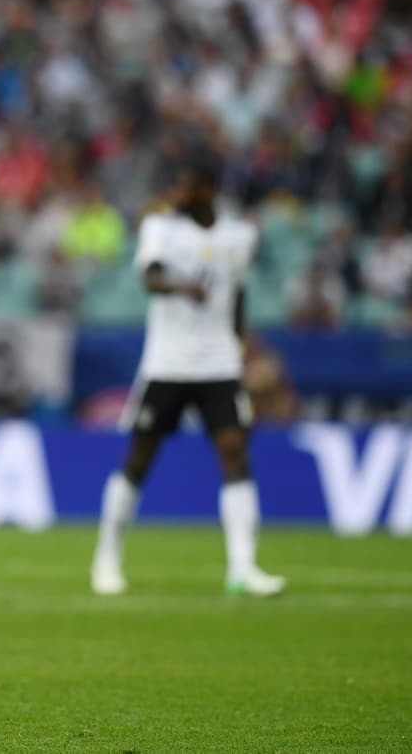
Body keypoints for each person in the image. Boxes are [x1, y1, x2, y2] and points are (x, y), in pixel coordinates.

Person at [90, 149, 285, 598]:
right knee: (140, 457)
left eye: (184, 185)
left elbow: (237, 293)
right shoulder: (160, 228)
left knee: (236, 452)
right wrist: (184, 286)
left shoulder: (239, 236)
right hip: (167, 363)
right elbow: (151, 278)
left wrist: (239, 345)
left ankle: (243, 568)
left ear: (207, 189)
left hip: (219, 363)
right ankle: (107, 558)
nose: (175, 193)